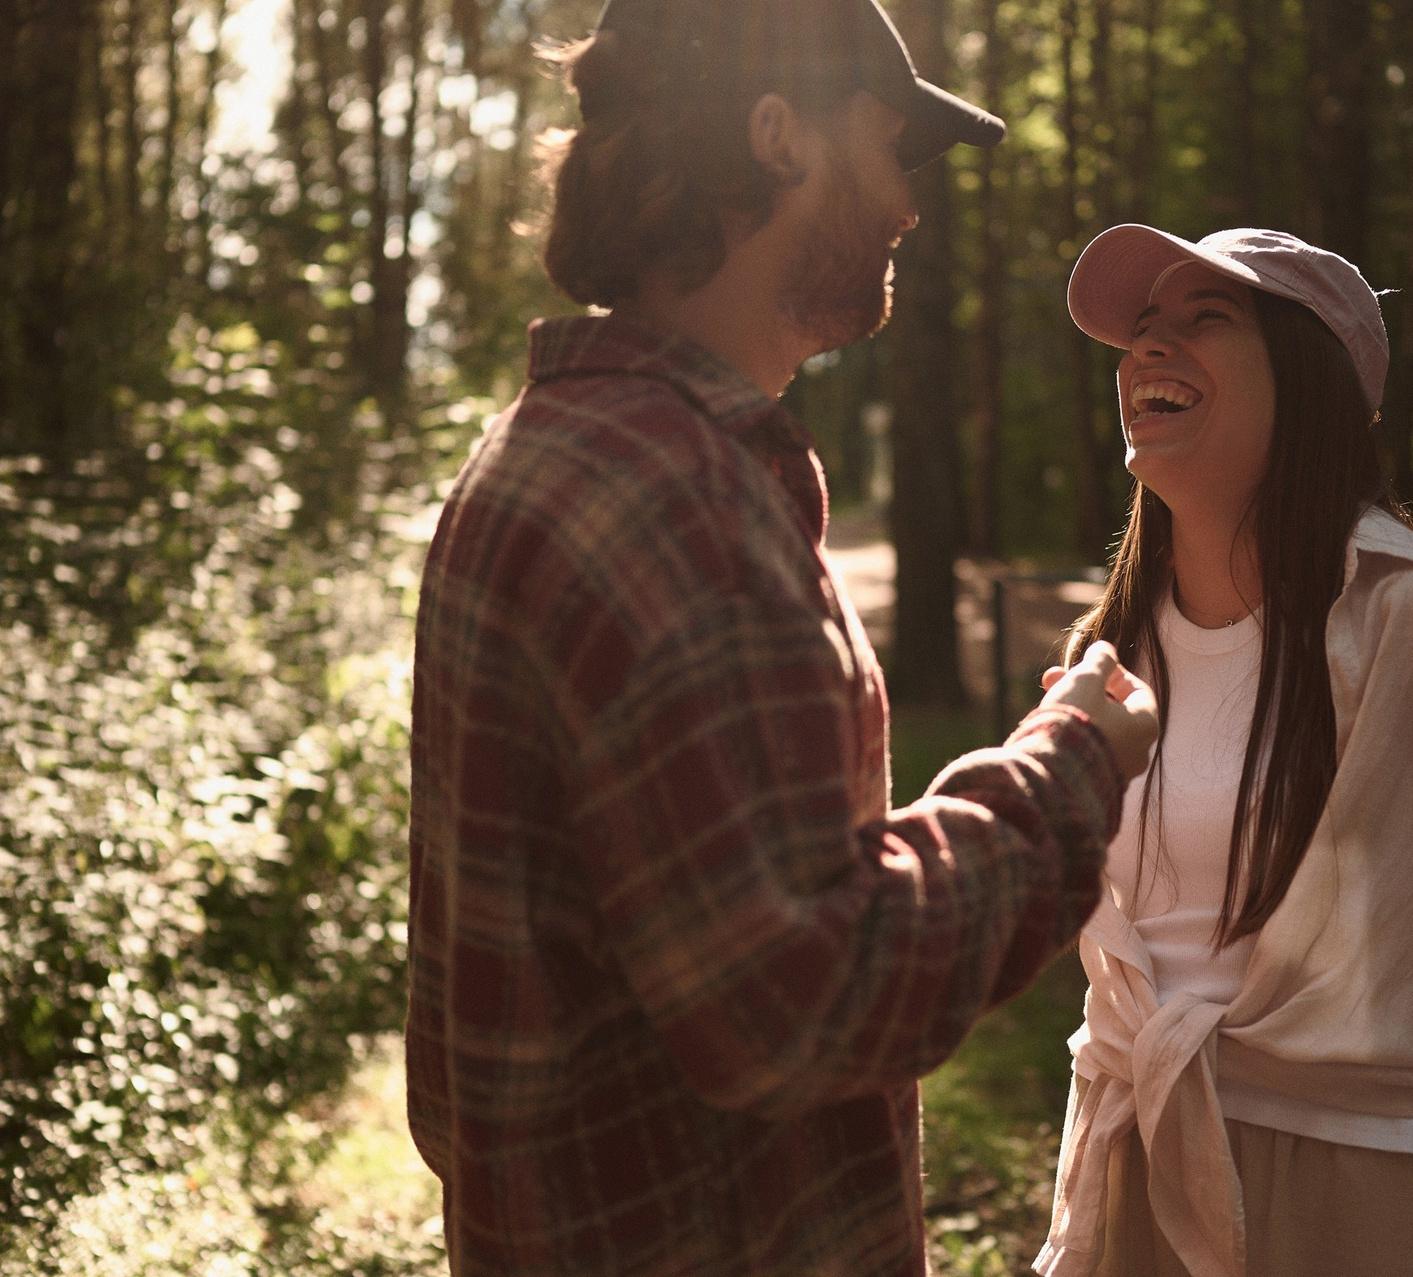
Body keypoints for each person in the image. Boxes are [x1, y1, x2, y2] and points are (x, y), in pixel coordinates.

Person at [404, 3, 1160, 1275]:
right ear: (778, 137)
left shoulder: (543, 455)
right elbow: (807, 993)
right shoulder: (675, 498)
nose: (906, 204)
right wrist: (1072, 761)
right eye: (888, 146)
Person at [1031, 227, 1413, 1277]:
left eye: (1205, 318)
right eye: (1142, 328)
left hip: (1371, 1199)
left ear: (1309, 375)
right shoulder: (1105, 654)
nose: (1147, 349)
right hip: (1138, 1173)